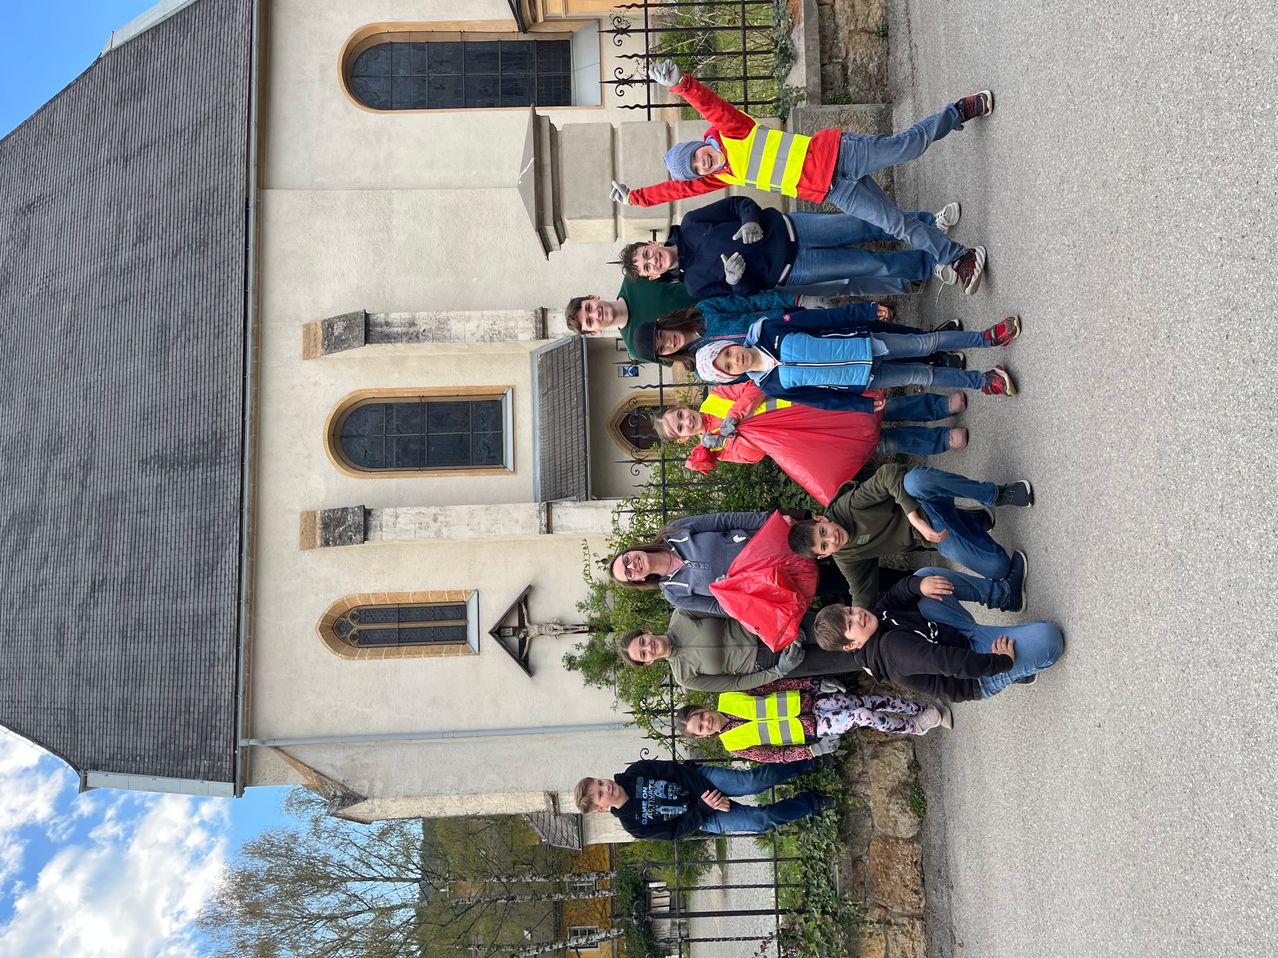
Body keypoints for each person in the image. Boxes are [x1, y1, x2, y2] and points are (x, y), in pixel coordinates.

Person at [609, 60, 992, 293]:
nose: (701, 166)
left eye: (698, 159)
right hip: (833, 189)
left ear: (699, 147)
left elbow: (711, 105)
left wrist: (681, 85)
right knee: (897, 226)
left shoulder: (732, 132)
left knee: (908, 147)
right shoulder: (724, 174)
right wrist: (635, 199)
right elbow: (676, 189)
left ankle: (956, 113)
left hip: (838, 154)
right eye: (695, 171)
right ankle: (958, 258)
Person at [655, 382, 968, 506]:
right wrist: (727, 440)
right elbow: (756, 454)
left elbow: (754, 385)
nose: (686, 421)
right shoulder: (715, 449)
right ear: (683, 438)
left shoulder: (715, 397)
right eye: (680, 427)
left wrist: (735, 416)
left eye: (680, 414)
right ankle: (940, 439)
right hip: (801, 439)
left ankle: (940, 407)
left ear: (683, 407)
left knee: (873, 408)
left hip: (803, 405)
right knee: (875, 441)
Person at [788, 463, 1034, 608]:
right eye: (824, 546)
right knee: (999, 568)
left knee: (916, 480)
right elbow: (861, 595)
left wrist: (913, 517)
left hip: (926, 501)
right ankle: (972, 521)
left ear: (822, 519)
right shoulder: (847, 558)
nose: (832, 539)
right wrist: (856, 639)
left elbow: (887, 474)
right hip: (938, 534)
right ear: (824, 556)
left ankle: (996, 494)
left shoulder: (847, 508)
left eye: (824, 532)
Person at [619, 195, 962, 299]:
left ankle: (928, 222)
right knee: (868, 264)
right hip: (794, 269)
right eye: (648, 267)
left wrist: (749, 221)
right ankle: (927, 265)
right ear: (654, 276)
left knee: (862, 225)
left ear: (652, 244)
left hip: (793, 228)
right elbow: (748, 294)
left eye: (647, 254)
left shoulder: (692, 223)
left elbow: (739, 203)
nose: (653, 261)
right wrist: (736, 280)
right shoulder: (695, 285)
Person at [811, 568, 1063, 702]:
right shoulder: (892, 649)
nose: (858, 616)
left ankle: (1003, 595)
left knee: (925, 578)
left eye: (850, 611)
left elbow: (897, 595)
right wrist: (1002, 663)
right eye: (850, 624)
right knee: (1051, 638)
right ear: (851, 645)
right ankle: (1013, 671)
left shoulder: (876, 621)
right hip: (974, 674)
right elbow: (950, 662)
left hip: (958, 637)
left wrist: (917, 585)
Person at [694, 304, 1021, 402]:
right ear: (733, 376)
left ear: (730, 345)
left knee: (927, 344)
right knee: (924, 374)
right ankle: (982, 380)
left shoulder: (768, 330)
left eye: (728, 354)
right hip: (864, 376)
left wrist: (863, 310)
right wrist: (860, 405)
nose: (734, 360)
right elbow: (820, 399)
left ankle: (986, 338)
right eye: (728, 367)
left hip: (866, 343)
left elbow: (821, 320)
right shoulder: (769, 385)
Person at [609, 511, 847, 615]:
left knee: (839, 547)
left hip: (777, 544)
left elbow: (724, 520)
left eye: (627, 559)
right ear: (638, 580)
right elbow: (718, 606)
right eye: (628, 572)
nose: (633, 565)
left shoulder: (675, 531)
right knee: (841, 581)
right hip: (775, 583)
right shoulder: (674, 594)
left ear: (633, 550)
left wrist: (769, 522)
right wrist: (755, 605)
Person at [674, 678, 949, 763]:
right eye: (700, 728)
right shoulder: (734, 745)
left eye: (701, 717)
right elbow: (775, 756)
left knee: (868, 702)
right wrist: (812, 750)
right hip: (816, 727)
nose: (706, 723)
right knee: (862, 716)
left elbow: (773, 686)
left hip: (813, 701)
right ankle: (918, 725)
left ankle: (920, 709)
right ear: (703, 736)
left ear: (702, 708)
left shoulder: (730, 696)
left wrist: (815, 683)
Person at [564, 283, 830, 364]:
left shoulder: (634, 280)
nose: (595, 314)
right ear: (595, 330)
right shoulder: (637, 350)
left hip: (728, 299)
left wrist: (797, 299)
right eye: (590, 321)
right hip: (774, 355)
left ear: (592, 297)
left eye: (589, 308)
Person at [617, 608, 869, 692]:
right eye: (643, 654)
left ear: (646, 632)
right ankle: (888, 656)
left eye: (642, 642)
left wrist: (778, 625)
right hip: (770, 662)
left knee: (847, 627)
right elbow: (736, 683)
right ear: (648, 662)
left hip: (770, 629)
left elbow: (734, 610)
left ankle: (893, 621)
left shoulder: (682, 613)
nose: (647, 648)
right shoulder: (685, 676)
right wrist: (780, 671)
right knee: (852, 658)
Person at [573, 757, 829, 838]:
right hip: (703, 817)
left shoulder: (635, 773)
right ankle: (811, 802)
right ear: (601, 808)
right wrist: (706, 808)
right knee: (760, 820)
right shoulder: (634, 825)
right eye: (599, 794)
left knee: (753, 781)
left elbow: (677, 770)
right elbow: (676, 831)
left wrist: (709, 795)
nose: (605, 787)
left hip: (702, 782)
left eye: (599, 782)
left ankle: (808, 763)